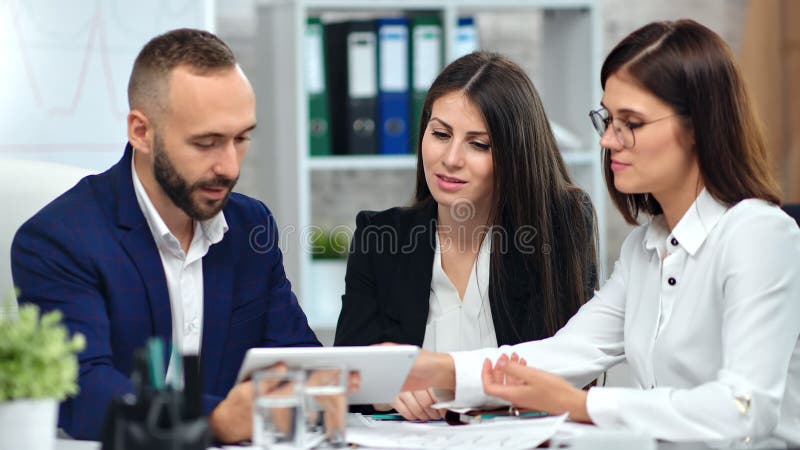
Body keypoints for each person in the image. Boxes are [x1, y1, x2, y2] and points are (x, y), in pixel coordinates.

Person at [400, 19, 800, 443]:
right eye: (607, 119)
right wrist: (436, 368)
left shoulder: (759, 235)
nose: (609, 139)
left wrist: (582, 405)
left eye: (631, 122)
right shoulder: (643, 250)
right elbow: (568, 351)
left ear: (699, 127)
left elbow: (744, 407)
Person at [11, 29, 320, 442]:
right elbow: (83, 393)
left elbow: (296, 357)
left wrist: (373, 380)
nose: (229, 166)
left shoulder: (250, 225)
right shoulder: (58, 240)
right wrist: (214, 420)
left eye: (241, 139)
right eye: (206, 143)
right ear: (141, 132)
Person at [334, 52, 598, 420]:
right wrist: (384, 392)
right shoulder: (379, 237)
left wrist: (449, 380)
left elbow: (569, 373)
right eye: (440, 134)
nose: (451, 158)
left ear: (515, 154)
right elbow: (346, 383)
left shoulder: (559, 226)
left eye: (479, 144)